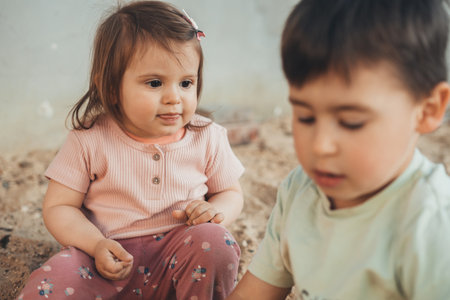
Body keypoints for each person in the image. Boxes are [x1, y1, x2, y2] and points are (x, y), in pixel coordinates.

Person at [18, 1, 244, 299]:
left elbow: (231, 193)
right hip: (104, 259)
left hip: (180, 260)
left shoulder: (208, 137)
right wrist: (95, 245)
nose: (174, 98)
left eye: (186, 82)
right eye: (155, 83)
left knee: (216, 242)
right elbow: (60, 207)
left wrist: (215, 211)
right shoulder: (90, 139)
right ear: (111, 88)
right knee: (50, 283)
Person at [228, 0, 450, 299]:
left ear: (427, 110)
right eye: (305, 117)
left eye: (351, 122)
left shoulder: (431, 228)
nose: (321, 145)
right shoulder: (299, 191)